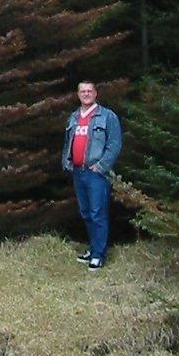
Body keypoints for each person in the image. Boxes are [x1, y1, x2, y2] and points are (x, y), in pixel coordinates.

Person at [61, 80, 122, 270]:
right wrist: (67, 161)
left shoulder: (107, 117)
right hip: (79, 172)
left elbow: (114, 144)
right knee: (86, 213)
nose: (86, 94)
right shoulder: (73, 117)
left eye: (89, 91)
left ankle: (98, 255)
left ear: (96, 93)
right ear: (78, 94)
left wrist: (102, 166)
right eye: (82, 91)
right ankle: (93, 248)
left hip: (96, 173)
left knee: (98, 213)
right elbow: (68, 142)